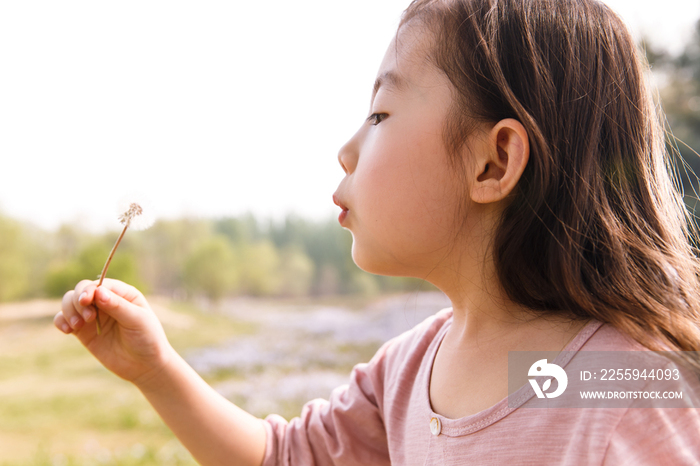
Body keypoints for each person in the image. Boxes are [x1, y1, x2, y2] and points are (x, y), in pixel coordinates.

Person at [54, 0, 700, 464]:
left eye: (381, 112)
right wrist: (157, 371)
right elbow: (286, 457)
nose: (346, 149)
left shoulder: (622, 388)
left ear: (493, 161)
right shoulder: (410, 366)